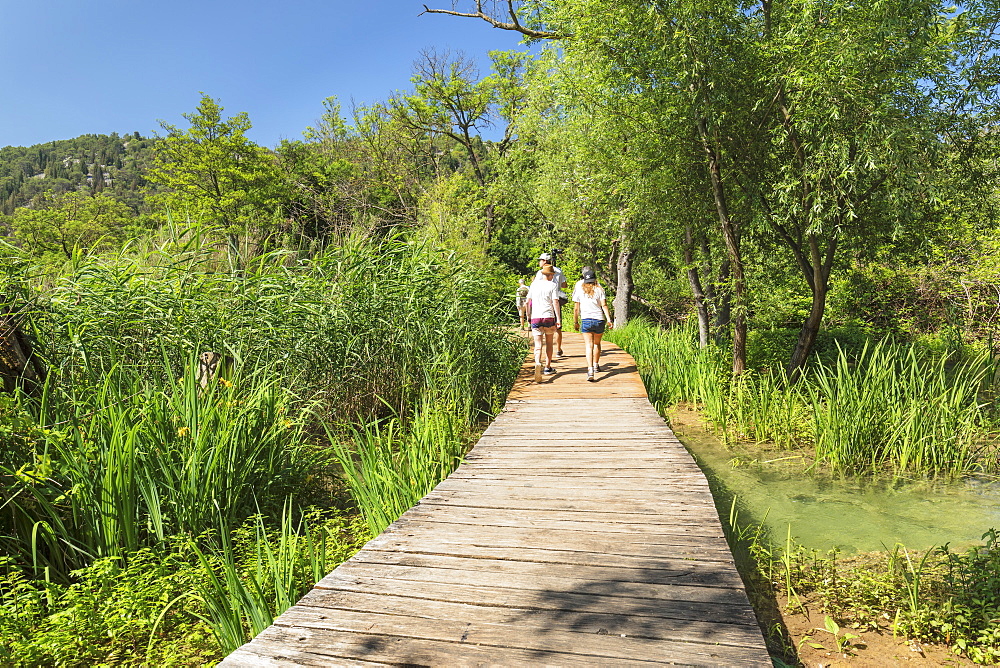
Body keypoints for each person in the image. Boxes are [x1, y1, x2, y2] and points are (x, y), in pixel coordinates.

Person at [572, 267, 613, 381]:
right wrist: (609, 319)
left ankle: (590, 370)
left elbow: (576, 309)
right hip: (599, 320)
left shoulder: (580, 290)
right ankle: (596, 365)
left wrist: (576, 322)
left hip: (586, 320)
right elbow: (604, 305)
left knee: (588, 346)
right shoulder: (600, 290)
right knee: (597, 344)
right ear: (595, 279)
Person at [526, 264, 561, 382]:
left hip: (535, 317)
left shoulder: (534, 285)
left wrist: (528, 316)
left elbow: (527, 302)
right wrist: (558, 319)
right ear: (550, 275)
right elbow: (555, 302)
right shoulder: (552, 285)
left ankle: (537, 363)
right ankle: (547, 367)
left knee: (538, 344)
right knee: (549, 343)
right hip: (548, 317)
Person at [533, 253, 568, 356]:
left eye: (540, 260)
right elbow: (564, 285)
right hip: (556, 299)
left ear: (544, 261)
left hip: (544, 301)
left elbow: (536, 286)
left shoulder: (540, 273)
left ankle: (540, 356)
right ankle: (558, 349)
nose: (539, 262)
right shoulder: (559, 270)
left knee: (541, 330)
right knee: (557, 325)